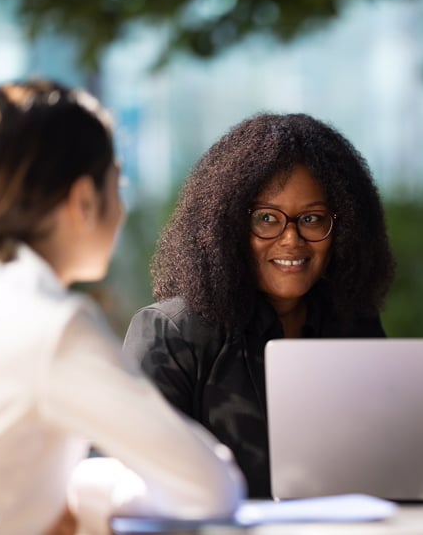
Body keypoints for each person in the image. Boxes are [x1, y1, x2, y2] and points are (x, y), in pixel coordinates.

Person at [0, 80, 245, 535]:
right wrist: (96, 492)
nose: (124, 207)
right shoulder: (51, 325)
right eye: (120, 183)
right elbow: (207, 491)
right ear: (83, 201)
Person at [124, 112, 396, 499]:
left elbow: (391, 463)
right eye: (266, 218)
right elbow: (138, 481)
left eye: (312, 219)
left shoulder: (354, 326)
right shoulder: (172, 334)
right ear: (229, 226)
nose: (291, 240)